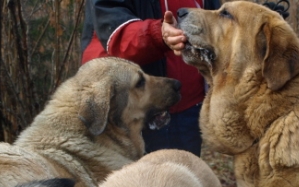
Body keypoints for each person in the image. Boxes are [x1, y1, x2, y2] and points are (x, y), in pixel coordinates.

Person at [81, 0, 221, 157]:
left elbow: (216, 24)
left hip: (189, 105)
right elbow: (115, 30)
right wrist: (157, 34)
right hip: (131, 111)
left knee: (181, 175)